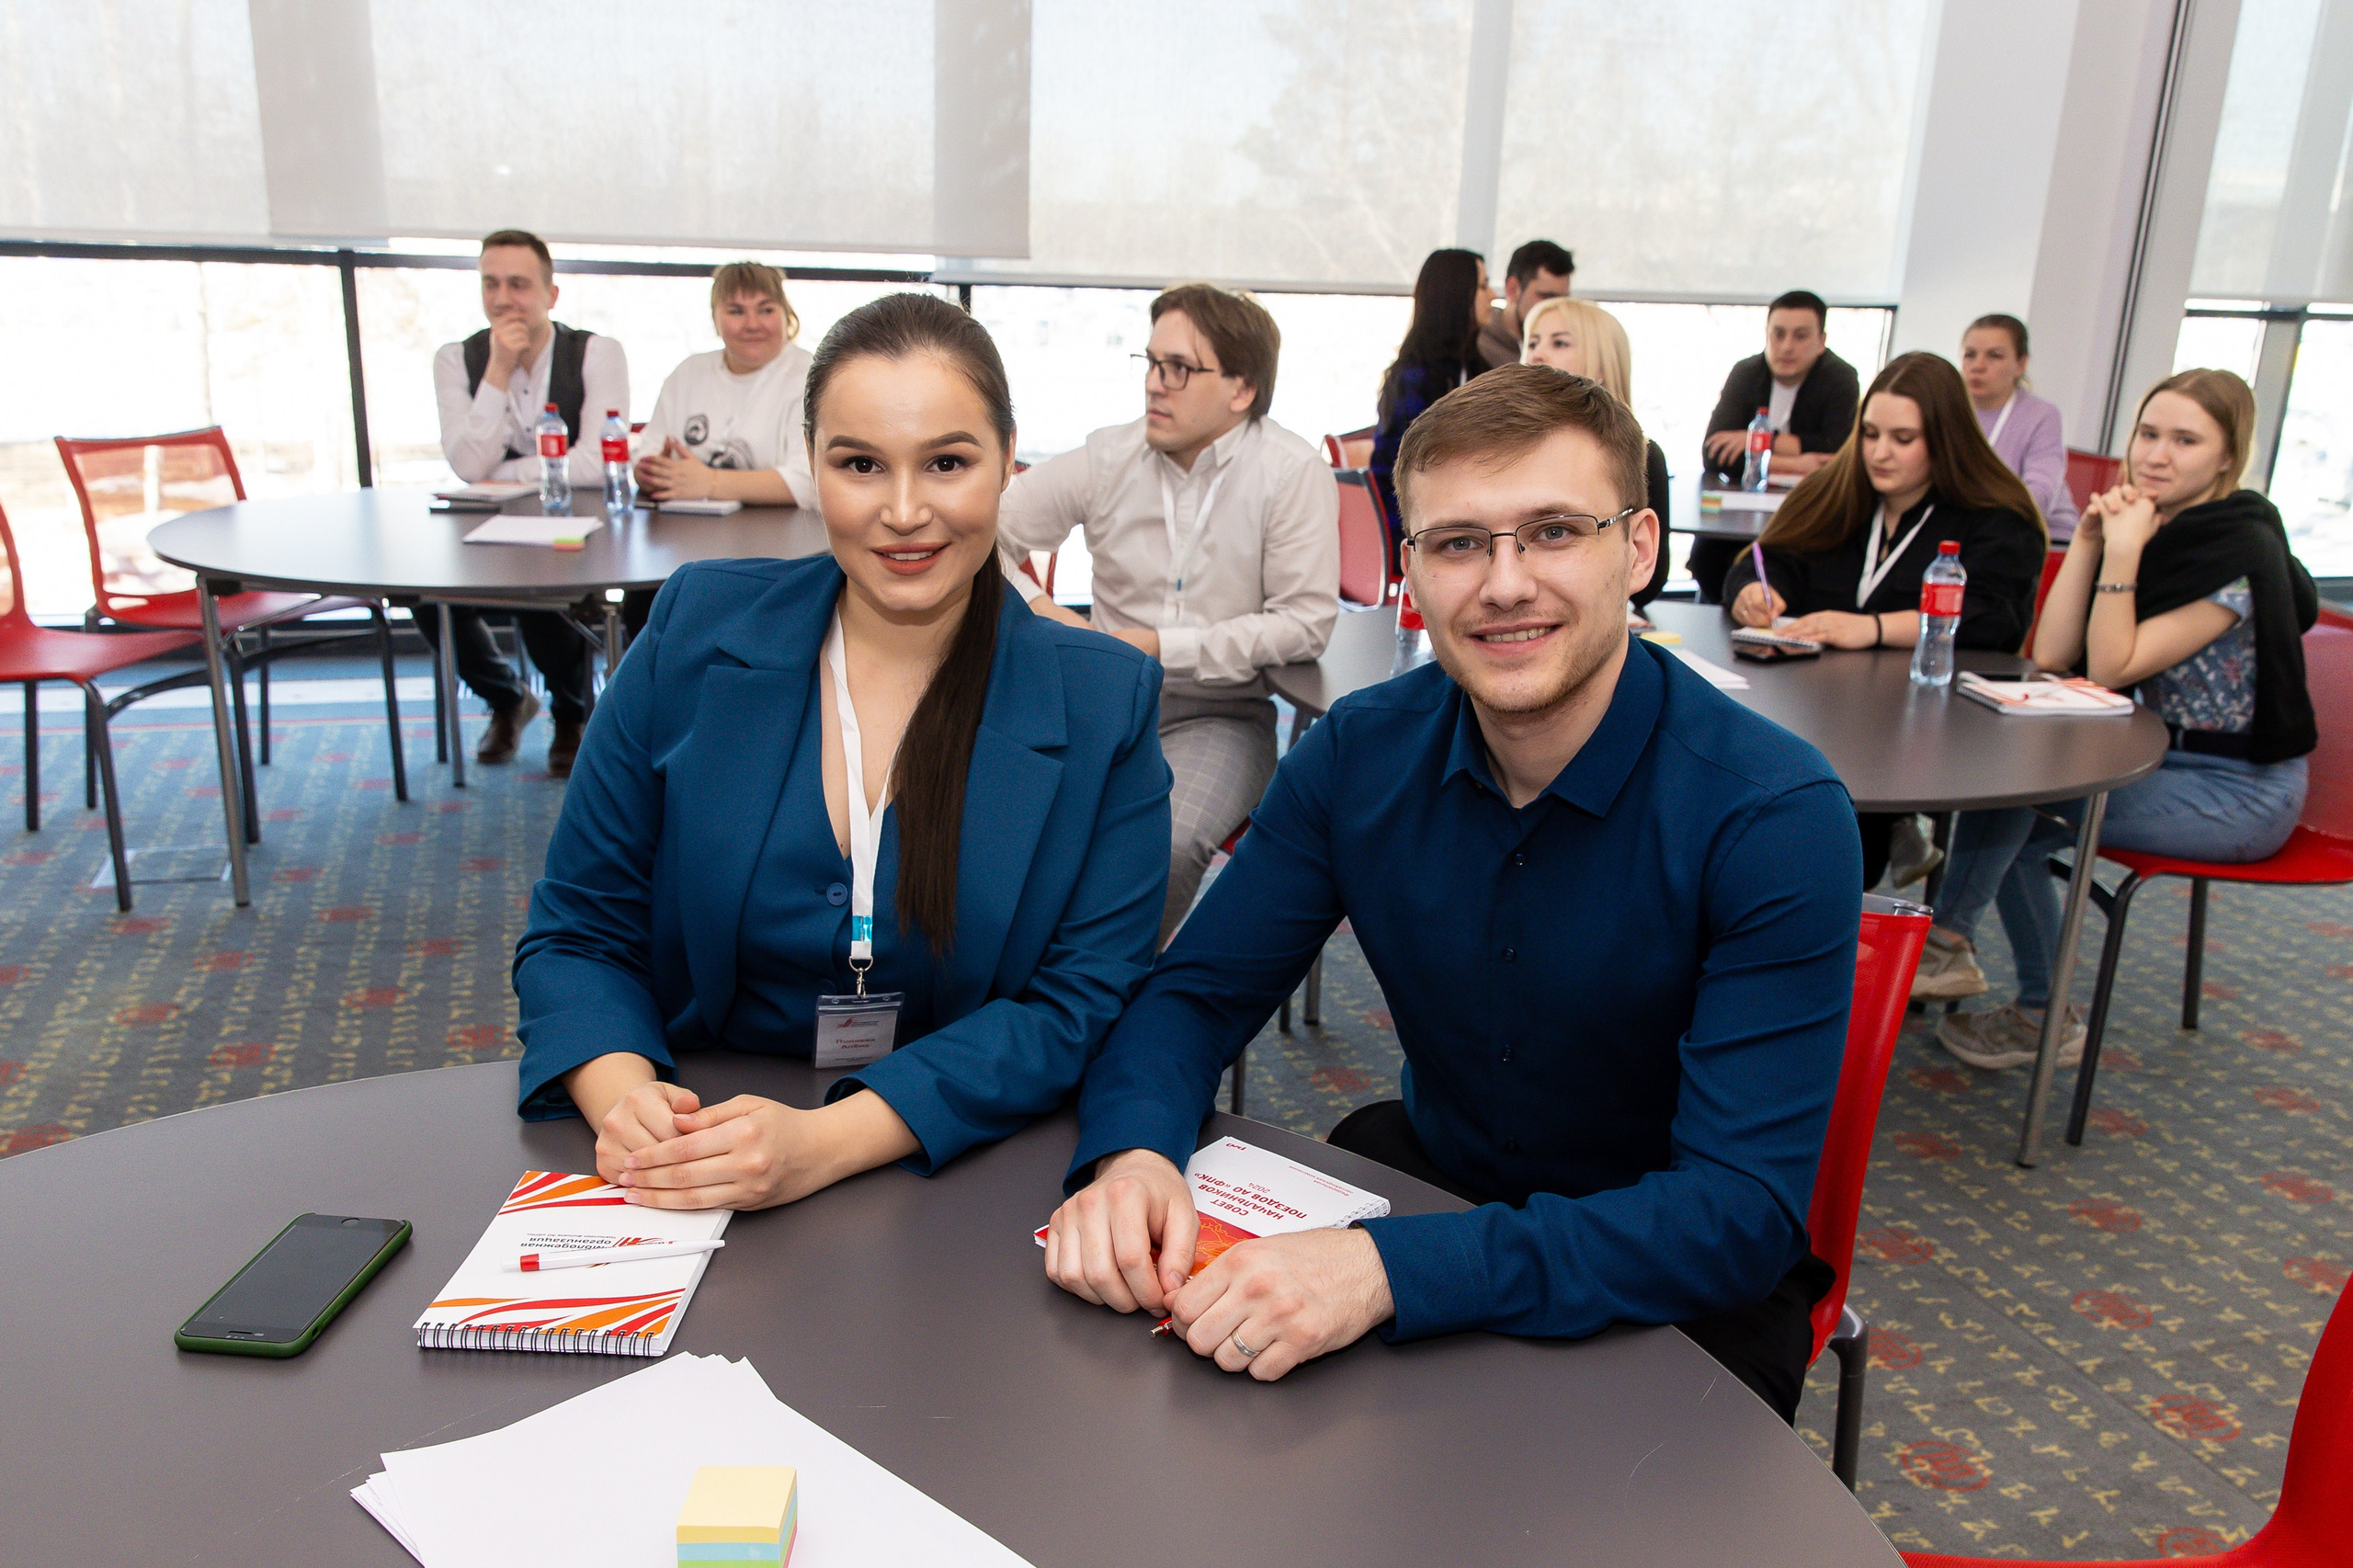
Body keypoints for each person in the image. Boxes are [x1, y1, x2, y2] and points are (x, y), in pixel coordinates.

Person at [1042, 366, 1864, 1423]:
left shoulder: (1775, 815)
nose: (1505, 583)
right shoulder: (1356, 752)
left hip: (1673, 1273)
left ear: (1641, 548)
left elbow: (1733, 1214)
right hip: (1438, 1181)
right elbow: (1193, 997)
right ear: (1410, 569)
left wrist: (1386, 1270)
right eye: (1460, 541)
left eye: (1555, 531)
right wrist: (1136, 1152)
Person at [512, 293, 1173, 1210]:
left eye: (946, 461)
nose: (904, 511)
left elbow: (1079, 1004)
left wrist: (824, 1141)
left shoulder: (1103, 698)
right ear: (813, 468)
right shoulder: (698, 627)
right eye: (860, 463)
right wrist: (630, 1109)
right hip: (689, 1129)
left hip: (950, 1158)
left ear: (1006, 465)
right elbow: (580, 929)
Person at [1917, 369, 2317, 1068]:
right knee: (2009, 791)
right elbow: (2051, 651)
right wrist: (2095, 539)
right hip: (2156, 757)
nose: (2156, 455)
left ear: (2228, 457)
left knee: (2026, 814)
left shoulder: (2239, 554)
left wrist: (2126, 552)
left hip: (2237, 790)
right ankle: (1952, 947)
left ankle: (2020, 996)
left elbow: (2110, 666)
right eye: (2148, 434)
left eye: (2185, 440)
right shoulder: (2162, 525)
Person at [1001, 283, 1338, 944]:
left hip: (1220, 713)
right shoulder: (1108, 456)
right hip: (1095, 704)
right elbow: (980, 534)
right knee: (1011, 822)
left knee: (1169, 841)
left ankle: (1111, 997)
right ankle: (1019, 986)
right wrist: (1041, 608)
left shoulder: (1290, 471)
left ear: (1241, 388)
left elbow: (1303, 622)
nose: (1156, 385)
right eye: (1151, 364)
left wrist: (1158, 645)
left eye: (1179, 369)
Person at [1721, 351, 2046, 889]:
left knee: (1827, 845)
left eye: (1902, 439)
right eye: (1870, 434)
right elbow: (1765, 559)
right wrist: (1755, 592)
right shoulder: (1836, 491)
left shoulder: (1996, 519)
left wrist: (1871, 628)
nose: (1879, 453)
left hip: (1930, 721)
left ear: (1945, 440)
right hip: (1824, 712)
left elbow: (1995, 620)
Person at [429, 228, 620, 776]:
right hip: (484, 527)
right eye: (491, 284)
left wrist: (502, 471)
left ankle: (571, 712)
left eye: (518, 284)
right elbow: (466, 466)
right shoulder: (456, 359)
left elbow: (593, 463)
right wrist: (495, 370)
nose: (503, 298)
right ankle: (508, 698)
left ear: (551, 294)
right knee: (421, 592)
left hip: (574, 521)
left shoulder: (595, 353)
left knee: (540, 583)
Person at [622, 261, 815, 634]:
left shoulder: (807, 374)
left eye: (766, 309)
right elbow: (646, 450)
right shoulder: (688, 373)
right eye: (736, 311)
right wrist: (651, 471)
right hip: (683, 545)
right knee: (644, 615)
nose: (752, 324)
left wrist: (708, 482)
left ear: (786, 315)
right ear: (715, 319)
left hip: (777, 551)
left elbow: (808, 482)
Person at [1691, 290, 1861, 602]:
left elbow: (1838, 453)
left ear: (1821, 340)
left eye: (1800, 336)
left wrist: (1754, 442)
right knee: (1709, 560)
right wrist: (1800, 461)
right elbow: (1714, 454)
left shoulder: (1841, 377)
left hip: (1808, 510)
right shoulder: (1746, 372)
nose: (1786, 347)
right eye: (1778, 334)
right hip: (1741, 507)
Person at [1520, 295, 1670, 606]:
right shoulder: (1501, 455)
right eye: (1532, 343)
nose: (1537, 355)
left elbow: (1650, 580)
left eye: (1559, 343)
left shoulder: (1644, 456)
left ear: (1602, 365)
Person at [1369, 248, 1493, 525]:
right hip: (1413, 524)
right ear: (1457, 294)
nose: (1493, 295)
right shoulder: (1412, 378)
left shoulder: (1479, 368)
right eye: (1483, 286)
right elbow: (1405, 471)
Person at [1961, 313, 2079, 539]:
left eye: (1994, 356)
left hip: (2043, 536)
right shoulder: (1950, 410)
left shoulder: (2041, 415)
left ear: (2020, 364)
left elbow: (2040, 495)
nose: (1978, 366)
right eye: (1970, 355)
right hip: (1972, 532)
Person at [1475, 238, 1574, 372]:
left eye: (1563, 301)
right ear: (1513, 289)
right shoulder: (1478, 346)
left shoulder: (1568, 350)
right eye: (1546, 297)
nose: (1556, 309)